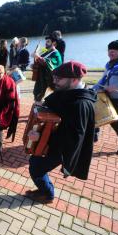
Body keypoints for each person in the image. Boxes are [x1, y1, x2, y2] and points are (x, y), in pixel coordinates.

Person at [26, 61, 96, 203]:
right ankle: (44, 190)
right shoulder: (68, 92)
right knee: (35, 163)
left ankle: (47, 194)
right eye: (55, 77)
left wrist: (41, 136)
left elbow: (74, 137)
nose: (55, 81)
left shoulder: (80, 104)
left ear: (75, 80)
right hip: (52, 142)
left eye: (59, 79)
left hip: (61, 148)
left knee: (36, 167)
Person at [33, 35, 62, 101]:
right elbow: (39, 62)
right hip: (41, 80)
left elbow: (48, 63)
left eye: (48, 41)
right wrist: (34, 65)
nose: (46, 43)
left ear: (54, 43)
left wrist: (38, 57)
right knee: (37, 96)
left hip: (50, 82)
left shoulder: (56, 54)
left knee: (46, 101)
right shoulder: (46, 52)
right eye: (46, 41)